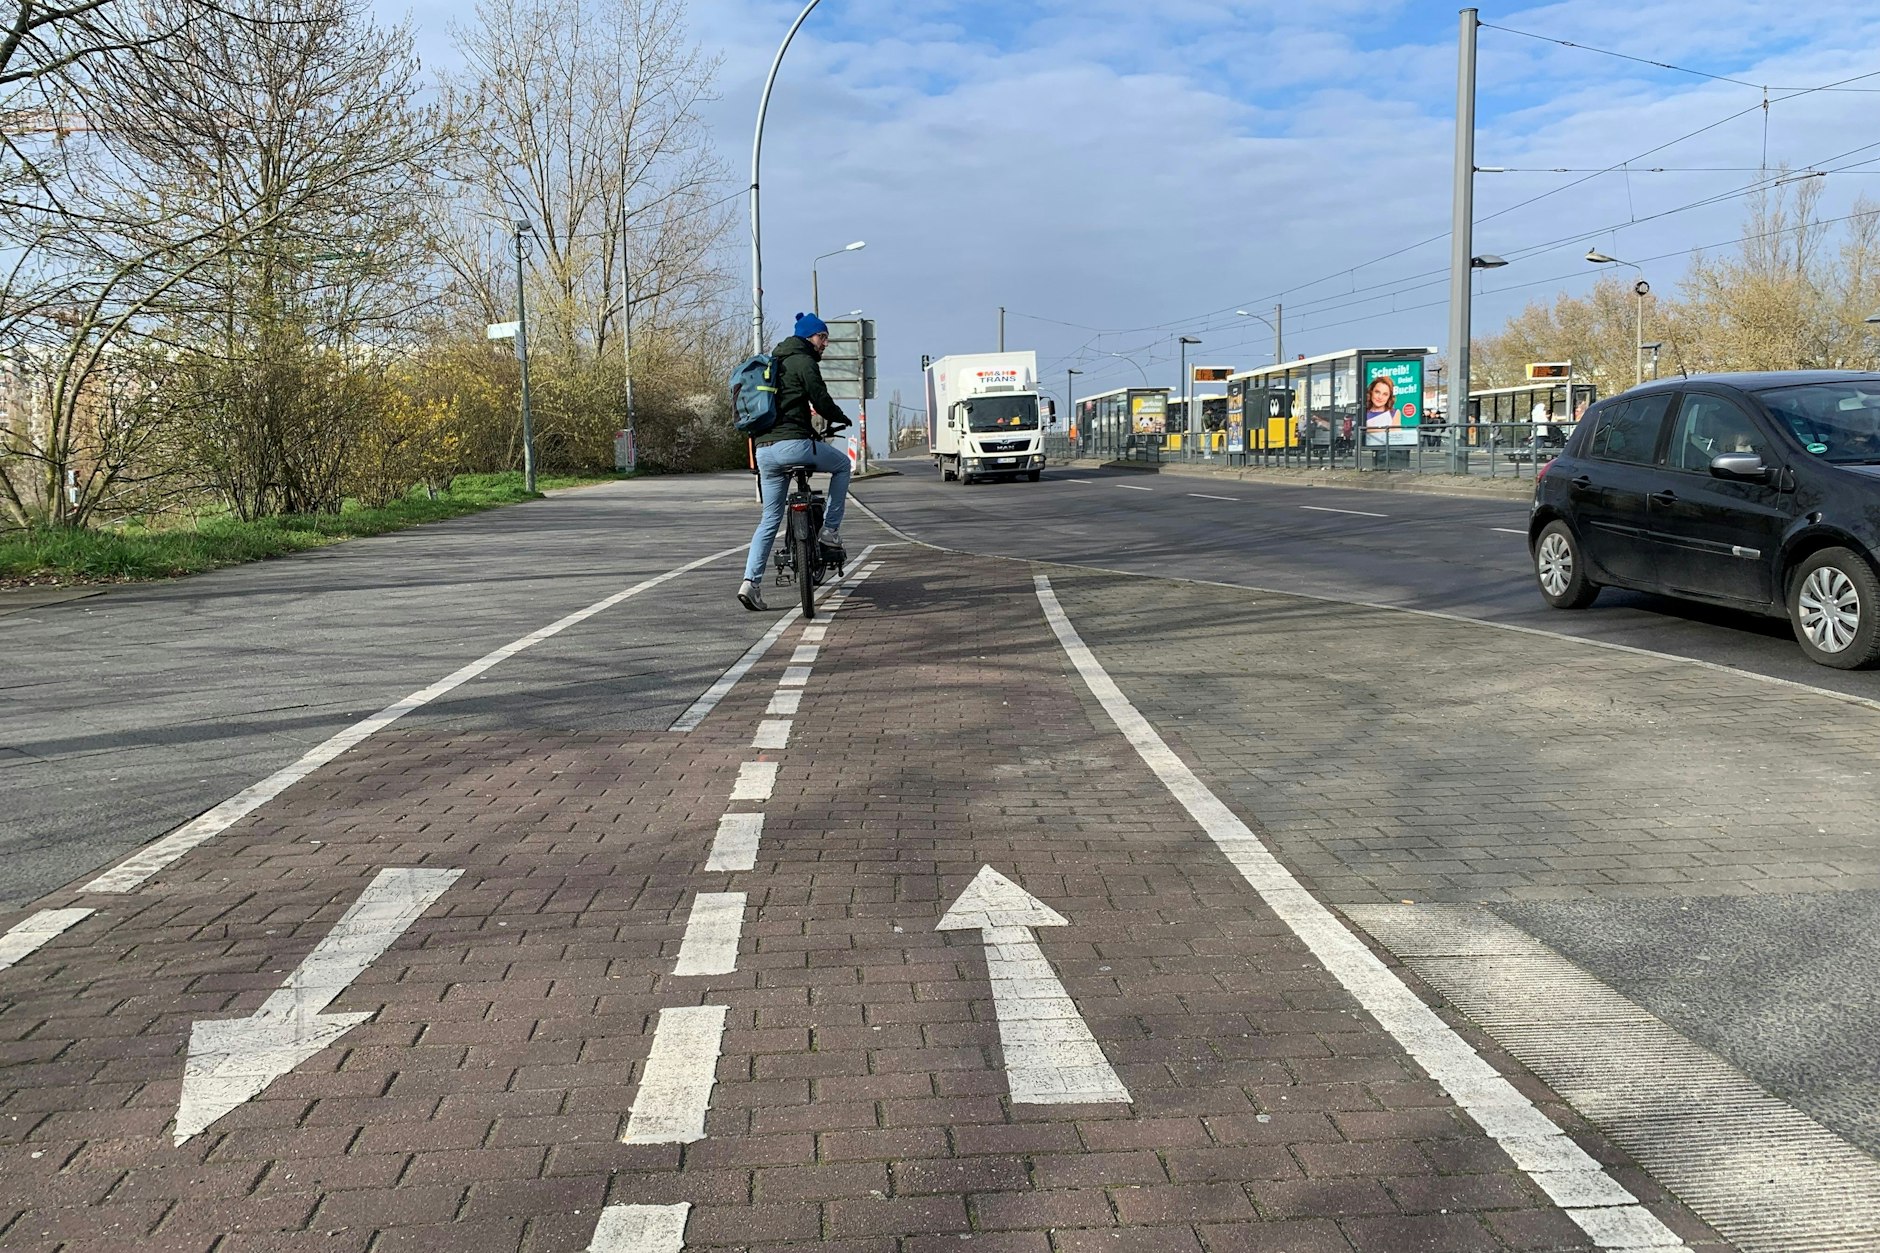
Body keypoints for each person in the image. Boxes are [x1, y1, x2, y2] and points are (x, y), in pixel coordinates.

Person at [738, 312, 853, 612]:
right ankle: (829, 530)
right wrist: (840, 417)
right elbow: (821, 399)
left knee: (769, 518)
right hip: (795, 447)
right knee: (843, 466)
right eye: (821, 337)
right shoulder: (804, 362)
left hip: (764, 450)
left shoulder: (773, 362)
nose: (825, 344)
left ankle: (750, 583)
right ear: (808, 337)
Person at [1363, 376, 1397, 446]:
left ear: (1389, 397)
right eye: (1377, 392)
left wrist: (1370, 430)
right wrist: (1386, 430)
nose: (1380, 397)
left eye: (1385, 394)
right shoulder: (1363, 412)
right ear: (1371, 392)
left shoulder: (1394, 413)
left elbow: (1395, 436)